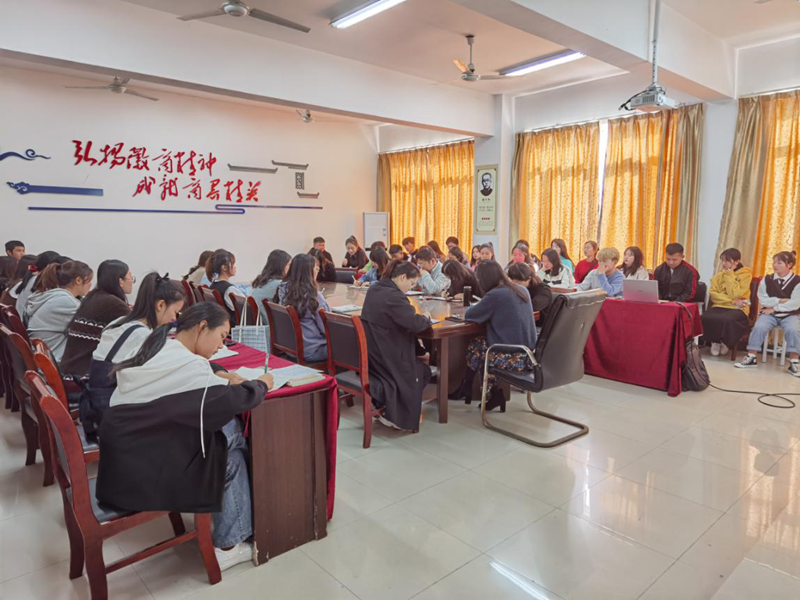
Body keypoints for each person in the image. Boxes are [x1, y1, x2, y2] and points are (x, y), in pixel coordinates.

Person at [96, 302, 274, 571]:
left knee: (228, 440)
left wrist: (220, 372)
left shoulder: (159, 346)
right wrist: (262, 384)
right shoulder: (189, 367)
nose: (221, 345)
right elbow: (232, 400)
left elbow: (202, 377)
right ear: (202, 327)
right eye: (221, 336)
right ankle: (230, 545)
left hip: (126, 454)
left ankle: (236, 528)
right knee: (233, 451)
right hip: (144, 470)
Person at [80, 272, 185, 434]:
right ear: (160, 305)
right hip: (113, 414)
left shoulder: (119, 323)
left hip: (96, 402)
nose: (175, 318)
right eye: (176, 312)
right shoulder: (141, 335)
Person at [449, 261, 537, 412]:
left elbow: (470, 315)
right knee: (477, 343)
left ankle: (485, 392)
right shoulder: (522, 289)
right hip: (529, 354)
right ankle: (470, 386)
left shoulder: (496, 295)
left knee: (482, 353)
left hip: (514, 358)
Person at [360, 260, 433, 431]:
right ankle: (394, 415)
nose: (410, 288)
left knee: (419, 363)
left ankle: (385, 406)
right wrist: (426, 318)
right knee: (423, 371)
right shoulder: (394, 297)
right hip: (387, 356)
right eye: (411, 283)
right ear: (402, 277)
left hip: (372, 353)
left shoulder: (374, 289)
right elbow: (414, 323)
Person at [60, 260, 134, 376]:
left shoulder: (95, 296)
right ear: (120, 281)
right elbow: (140, 328)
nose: (132, 281)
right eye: (130, 277)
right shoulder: (112, 302)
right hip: (82, 376)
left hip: (70, 369)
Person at [735, 251, 800, 376]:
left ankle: (794, 362)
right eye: (774, 262)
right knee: (759, 327)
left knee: (793, 329)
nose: (775, 265)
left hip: (790, 314)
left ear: (790, 265)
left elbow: (795, 303)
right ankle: (751, 357)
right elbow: (763, 299)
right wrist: (781, 300)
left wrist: (774, 308)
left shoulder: (797, 281)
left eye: (779, 263)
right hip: (768, 313)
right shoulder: (767, 279)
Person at [26, 261, 94, 361]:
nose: (91, 285)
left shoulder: (54, 295)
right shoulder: (66, 301)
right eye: (89, 280)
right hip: (53, 360)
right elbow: (92, 323)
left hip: (45, 354)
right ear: (78, 280)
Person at [278, 254, 331, 363]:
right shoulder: (313, 296)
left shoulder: (284, 290)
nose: (317, 270)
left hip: (290, 347)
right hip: (312, 350)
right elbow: (328, 328)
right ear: (309, 272)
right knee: (356, 343)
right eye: (315, 267)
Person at [702, 248, 752, 357]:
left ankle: (725, 342)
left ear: (737, 261)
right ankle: (715, 341)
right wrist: (731, 301)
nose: (723, 264)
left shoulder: (745, 275)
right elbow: (714, 294)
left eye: (727, 261)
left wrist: (730, 276)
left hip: (739, 308)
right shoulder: (718, 276)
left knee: (727, 319)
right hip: (721, 305)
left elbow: (736, 294)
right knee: (706, 316)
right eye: (722, 260)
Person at [14, 250, 63, 318]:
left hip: (21, 319)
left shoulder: (32, 278)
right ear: (50, 266)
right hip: (26, 321)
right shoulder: (43, 282)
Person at [251, 249, 291, 320]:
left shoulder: (261, 281)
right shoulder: (280, 285)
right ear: (281, 266)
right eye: (288, 265)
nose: (290, 268)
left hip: (260, 322)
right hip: (269, 323)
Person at [206, 248, 245, 315]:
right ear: (224, 267)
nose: (235, 267)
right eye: (233, 264)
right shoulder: (229, 289)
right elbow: (247, 308)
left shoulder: (213, 285)